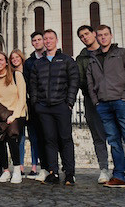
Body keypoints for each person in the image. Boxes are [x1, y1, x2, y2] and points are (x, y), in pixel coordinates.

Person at [87, 25, 125, 190]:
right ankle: (119, 175)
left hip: (121, 102)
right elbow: (90, 82)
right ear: (97, 37)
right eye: (100, 35)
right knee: (113, 141)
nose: (103, 37)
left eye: (106, 34)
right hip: (103, 104)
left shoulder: (123, 53)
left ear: (111, 36)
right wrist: (96, 101)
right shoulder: (93, 59)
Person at [29, 29, 79, 186]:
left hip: (61, 106)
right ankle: (53, 172)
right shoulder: (38, 63)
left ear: (56, 40)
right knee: (49, 140)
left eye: (51, 38)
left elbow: (74, 81)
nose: (48, 41)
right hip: (44, 107)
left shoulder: (66, 60)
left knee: (65, 139)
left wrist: (69, 102)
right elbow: (33, 85)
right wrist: (36, 104)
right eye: (45, 39)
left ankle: (69, 173)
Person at [76, 25, 111, 184]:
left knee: (118, 135)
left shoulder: (108, 51)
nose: (85, 38)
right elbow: (81, 80)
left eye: (86, 34)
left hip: (112, 98)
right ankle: (104, 169)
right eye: (81, 36)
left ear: (94, 34)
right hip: (91, 100)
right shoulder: (81, 58)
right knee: (98, 136)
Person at [0, 52, 27, 184]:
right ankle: (6, 170)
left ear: (6, 62)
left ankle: (17, 170)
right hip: (2, 114)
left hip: (17, 114)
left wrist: (14, 116)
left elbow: (22, 97)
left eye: (1, 60)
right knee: (0, 141)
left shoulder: (16, 75)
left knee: (13, 141)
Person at [23, 31, 48, 181]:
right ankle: (42, 167)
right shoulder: (29, 62)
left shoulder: (52, 57)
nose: (37, 42)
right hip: (34, 104)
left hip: (50, 102)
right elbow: (27, 82)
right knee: (36, 136)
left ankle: (52, 167)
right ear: (32, 43)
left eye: (40, 39)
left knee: (50, 136)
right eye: (35, 40)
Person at [9, 49, 35, 178]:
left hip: (30, 105)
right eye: (12, 58)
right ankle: (20, 166)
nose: (15, 59)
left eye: (17, 57)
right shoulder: (12, 73)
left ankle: (35, 166)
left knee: (33, 136)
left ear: (21, 57)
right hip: (18, 108)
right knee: (20, 138)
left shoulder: (28, 69)